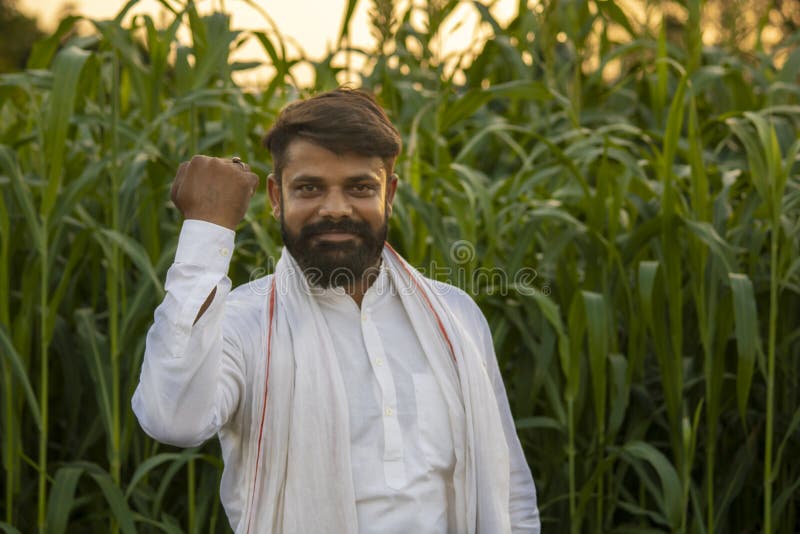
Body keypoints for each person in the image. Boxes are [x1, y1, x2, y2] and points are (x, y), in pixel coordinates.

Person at [132, 88, 540, 534]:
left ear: (391, 194)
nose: (335, 208)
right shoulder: (239, 325)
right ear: (275, 195)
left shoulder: (455, 317)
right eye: (309, 187)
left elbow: (510, 492)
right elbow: (172, 419)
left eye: (360, 187)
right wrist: (206, 232)